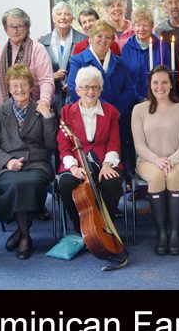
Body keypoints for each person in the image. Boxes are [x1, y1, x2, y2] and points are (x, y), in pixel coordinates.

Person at [0, 64, 57, 260]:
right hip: (5, 166)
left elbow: (50, 144)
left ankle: (22, 234)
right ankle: (25, 235)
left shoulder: (40, 110)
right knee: (15, 183)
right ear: (8, 88)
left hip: (35, 164)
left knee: (28, 182)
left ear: (31, 87)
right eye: (15, 86)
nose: (19, 90)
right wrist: (7, 161)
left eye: (24, 85)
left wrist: (48, 117)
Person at [131, 65, 179, 255]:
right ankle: (162, 234)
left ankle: (175, 233)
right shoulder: (139, 110)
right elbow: (139, 144)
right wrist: (157, 160)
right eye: (155, 83)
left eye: (164, 82)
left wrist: (170, 161)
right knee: (157, 178)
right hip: (148, 161)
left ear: (171, 85)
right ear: (150, 85)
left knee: (174, 177)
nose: (160, 87)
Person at [67, 19, 139, 179]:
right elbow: (73, 88)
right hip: (89, 116)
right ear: (90, 38)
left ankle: (125, 181)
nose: (103, 40)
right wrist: (103, 111)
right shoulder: (78, 60)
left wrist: (115, 111)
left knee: (119, 150)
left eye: (108, 37)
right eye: (99, 36)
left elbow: (129, 89)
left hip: (117, 117)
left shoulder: (119, 62)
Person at [57, 66, 124, 234]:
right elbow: (63, 144)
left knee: (111, 181)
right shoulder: (66, 112)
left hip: (103, 160)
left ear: (100, 90)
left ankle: (105, 223)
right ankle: (80, 226)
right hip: (76, 161)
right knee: (67, 183)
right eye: (86, 87)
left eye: (95, 87)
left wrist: (108, 165)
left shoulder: (111, 112)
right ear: (78, 90)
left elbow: (114, 142)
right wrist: (73, 167)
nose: (90, 91)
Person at [0, 8, 54, 110]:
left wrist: (44, 101)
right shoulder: (0, 48)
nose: (15, 30)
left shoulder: (37, 49)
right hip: (5, 112)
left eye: (20, 26)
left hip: (33, 111)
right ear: (5, 29)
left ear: (27, 27)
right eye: (11, 26)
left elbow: (46, 80)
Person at [39, 2, 86, 116]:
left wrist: (73, 83)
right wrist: (52, 76)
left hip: (77, 95)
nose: (63, 17)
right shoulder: (43, 42)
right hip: (53, 95)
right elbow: (38, 72)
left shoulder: (83, 40)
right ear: (53, 19)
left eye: (67, 14)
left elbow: (87, 69)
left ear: (72, 18)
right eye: (59, 14)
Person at [121, 8, 171, 100]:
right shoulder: (127, 48)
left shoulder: (162, 46)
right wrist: (139, 98)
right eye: (138, 25)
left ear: (152, 26)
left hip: (159, 98)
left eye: (145, 25)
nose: (141, 29)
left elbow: (168, 75)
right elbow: (126, 79)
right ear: (133, 27)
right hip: (133, 100)